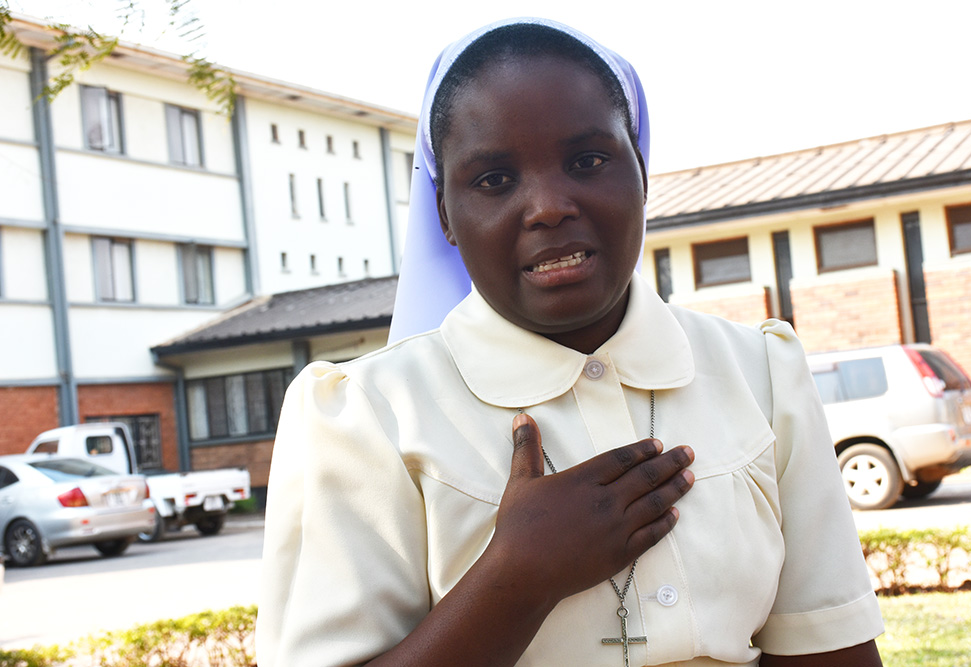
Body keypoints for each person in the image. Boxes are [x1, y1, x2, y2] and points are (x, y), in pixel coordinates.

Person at [256, 18, 884, 667]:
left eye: (587, 160)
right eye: (495, 179)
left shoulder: (760, 371)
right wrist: (517, 578)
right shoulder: (367, 415)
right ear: (444, 211)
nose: (548, 206)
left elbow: (831, 648)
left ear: (640, 170)